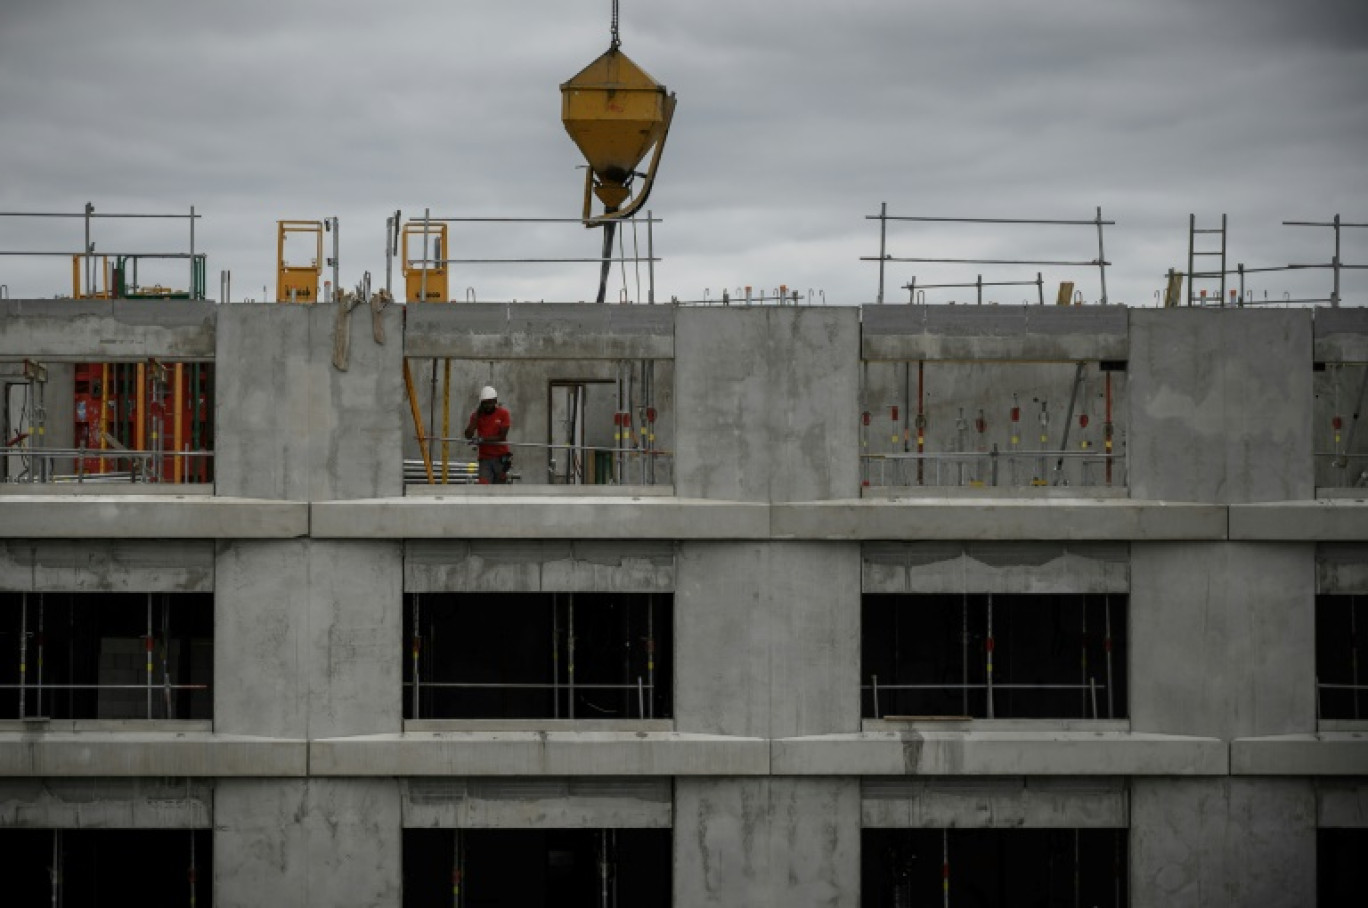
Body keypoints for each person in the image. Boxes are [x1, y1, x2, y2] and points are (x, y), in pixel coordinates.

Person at [464, 386, 512, 484]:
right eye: (485, 403)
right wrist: (476, 418)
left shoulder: (503, 414)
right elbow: (468, 435)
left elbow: (502, 436)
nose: (488, 405)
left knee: (500, 489)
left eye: (490, 402)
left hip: (500, 458)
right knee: (484, 487)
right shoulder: (476, 415)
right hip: (485, 459)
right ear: (481, 403)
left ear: (495, 401)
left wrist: (482, 440)